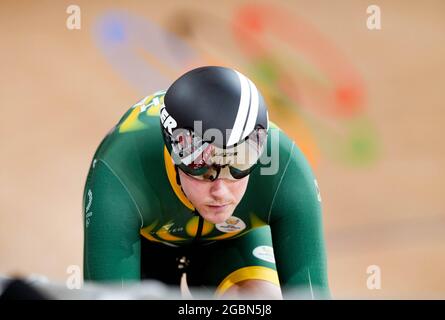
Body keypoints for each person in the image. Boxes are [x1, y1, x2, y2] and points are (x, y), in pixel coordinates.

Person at [83, 66, 330, 299]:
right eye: (202, 170)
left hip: (232, 240)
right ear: (173, 153)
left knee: (259, 300)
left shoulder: (286, 166)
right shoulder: (120, 168)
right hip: (147, 246)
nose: (220, 191)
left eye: (238, 165)